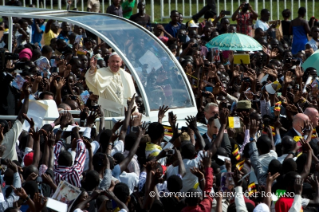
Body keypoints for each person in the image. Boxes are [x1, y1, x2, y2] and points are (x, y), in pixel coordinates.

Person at [85, 52, 137, 128]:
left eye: (117, 62)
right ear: (108, 62)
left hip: (124, 113)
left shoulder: (127, 75)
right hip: (107, 112)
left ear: (121, 63)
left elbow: (131, 96)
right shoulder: (101, 72)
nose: (115, 64)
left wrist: (135, 111)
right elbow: (91, 80)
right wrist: (92, 69)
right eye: (112, 61)